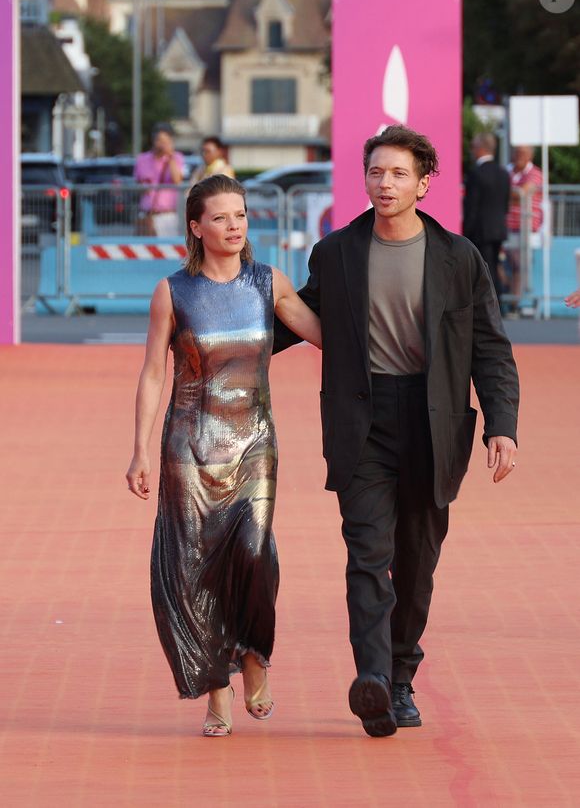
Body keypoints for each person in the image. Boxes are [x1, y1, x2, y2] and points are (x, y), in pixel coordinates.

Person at [274, 125, 520, 738]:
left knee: (415, 561)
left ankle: (403, 676)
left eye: (398, 174)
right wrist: (221, 335)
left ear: (424, 183)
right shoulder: (336, 252)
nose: (384, 184)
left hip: (433, 421)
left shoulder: (460, 258)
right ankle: (375, 682)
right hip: (362, 420)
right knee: (367, 553)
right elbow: (304, 315)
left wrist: (502, 425)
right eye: (376, 173)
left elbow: (489, 349)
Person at [126, 175, 320, 738]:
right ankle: (217, 692)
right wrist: (139, 450)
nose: (234, 226)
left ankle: (255, 658)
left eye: (240, 215)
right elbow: (153, 373)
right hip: (188, 446)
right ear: (196, 226)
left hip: (255, 442)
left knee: (255, 552)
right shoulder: (173, 292)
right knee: (197, 570)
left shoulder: (268, 282)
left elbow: (325, 334)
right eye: (221, 217)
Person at [463, 132, 510, 298]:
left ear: (479, 148)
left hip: (480, 231)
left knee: (483, 269)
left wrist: (466, 232)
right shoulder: (503, 173)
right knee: (494, 266)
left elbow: (472, 206)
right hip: (498, 229)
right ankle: (496, 303)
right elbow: (505, 204)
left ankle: (489, 306)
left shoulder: (476, 174)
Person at [502, 145, 544, 311]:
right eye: (517, 152)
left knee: (518, 264)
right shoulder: (507, 170)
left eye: (522, 153)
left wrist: (504, 193)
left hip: (524, 227)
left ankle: (513, 302)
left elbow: (523, 194)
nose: (518, 156)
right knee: (498, 262)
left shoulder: (535, 173)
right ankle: (508, 293)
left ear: (530, 156)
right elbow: (516, 194)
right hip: (504, 225)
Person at [134, 123, 185, 237]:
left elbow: (177, 181)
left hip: (167, 215)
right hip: (146, 214)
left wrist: (170, 157)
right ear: (153, 140)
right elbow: (137, 183)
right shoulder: (142, 159)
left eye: (166, 141)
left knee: (168, 250)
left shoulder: (177, 158)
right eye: (159, 140)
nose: (162, 144)